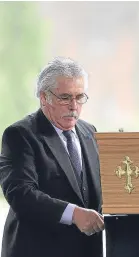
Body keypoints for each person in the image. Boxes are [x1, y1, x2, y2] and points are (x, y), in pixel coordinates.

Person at [0, 57, 104, 257]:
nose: (74, 106)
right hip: (37, 249)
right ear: (43, 97)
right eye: (65, 98)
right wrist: (74, 214)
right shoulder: (20, 135)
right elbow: (21, 194)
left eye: (80, 97)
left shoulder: (90, 132)